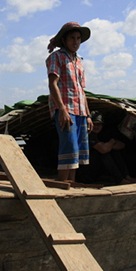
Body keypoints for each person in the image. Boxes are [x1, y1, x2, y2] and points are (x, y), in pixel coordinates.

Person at [46, 22, 93, 182]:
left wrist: (88, 115)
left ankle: (71, 185)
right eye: (72, 38)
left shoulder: (79, 61)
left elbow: (81, 90)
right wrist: (62, 110)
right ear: (64, 40)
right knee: (69, 148)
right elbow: (53, 84)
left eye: (78, 38)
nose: (76, 41)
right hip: (66, 109)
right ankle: (62, 185)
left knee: (77, 152)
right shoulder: (56, 57)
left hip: (80, 111)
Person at [87, 111, 136, 185]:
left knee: (113, 150)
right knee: (103, 153)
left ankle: (126, 176)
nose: (96, 127)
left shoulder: (102, 135)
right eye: (94, 124)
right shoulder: (88, 135)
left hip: (97, 171)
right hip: (86, 173)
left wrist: (109, 145)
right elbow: (103, 150)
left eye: (99, 124)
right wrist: (111, 142)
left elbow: (121, 145)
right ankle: (120, 180)